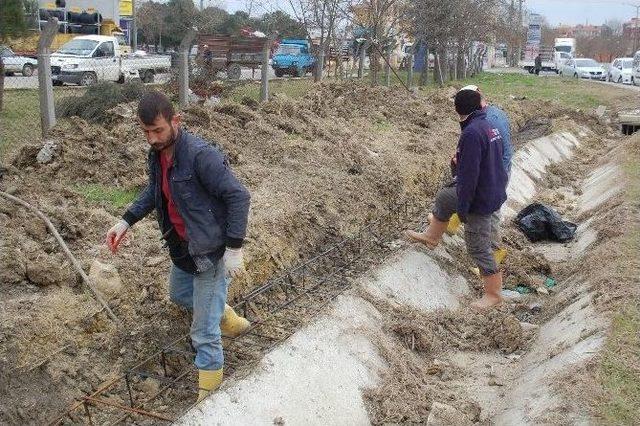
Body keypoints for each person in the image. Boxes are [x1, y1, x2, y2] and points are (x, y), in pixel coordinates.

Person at [105, 91, 251, 402]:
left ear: (175, 121)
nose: (151, 138)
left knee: (203, 333)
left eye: (157, 130)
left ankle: (208, 401)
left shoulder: (200, 155)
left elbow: (238, 196)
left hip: (210, 250)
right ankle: (225, 316)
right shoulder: (157, 155)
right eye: (145, 132)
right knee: (180, 294)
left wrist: (234, 248)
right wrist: (125, 221)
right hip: (183, 247)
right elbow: (155, 190)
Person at [405, 89, 508, 309]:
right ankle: (432, 237)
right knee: (444, 197)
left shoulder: (471, 133)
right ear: (479, 107)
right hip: (491, 188)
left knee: (477, 247)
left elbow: (469, 177)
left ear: (458, 111)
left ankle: (494, 295)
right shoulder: (489, 126)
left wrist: (463, 208)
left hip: (480, 199)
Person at [449, 85, 513, 268]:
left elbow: (471, 174)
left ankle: (492, 257)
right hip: (498, 169)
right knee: (490, 210)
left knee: (488, 214)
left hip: (495, 169)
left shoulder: (483, 123)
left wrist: (463, 207)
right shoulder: (490, 115)